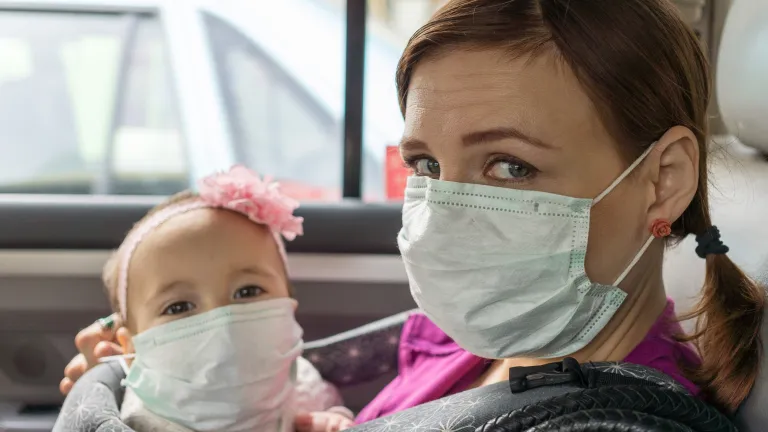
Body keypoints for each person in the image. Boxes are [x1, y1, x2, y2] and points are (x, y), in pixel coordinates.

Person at [62, 0, 765, 427]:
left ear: (662, 181)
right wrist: (181, 389)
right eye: (426, 165)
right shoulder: (479, 335)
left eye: (509, 166)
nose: (446, 211)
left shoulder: (613, 420)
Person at [86, 165, 354, 431]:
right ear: (130, 349)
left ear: (289, 306)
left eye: (247, 292)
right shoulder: (132, 422)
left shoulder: (302, 384)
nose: (223, 322)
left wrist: (331, 420)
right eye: (178, 307)